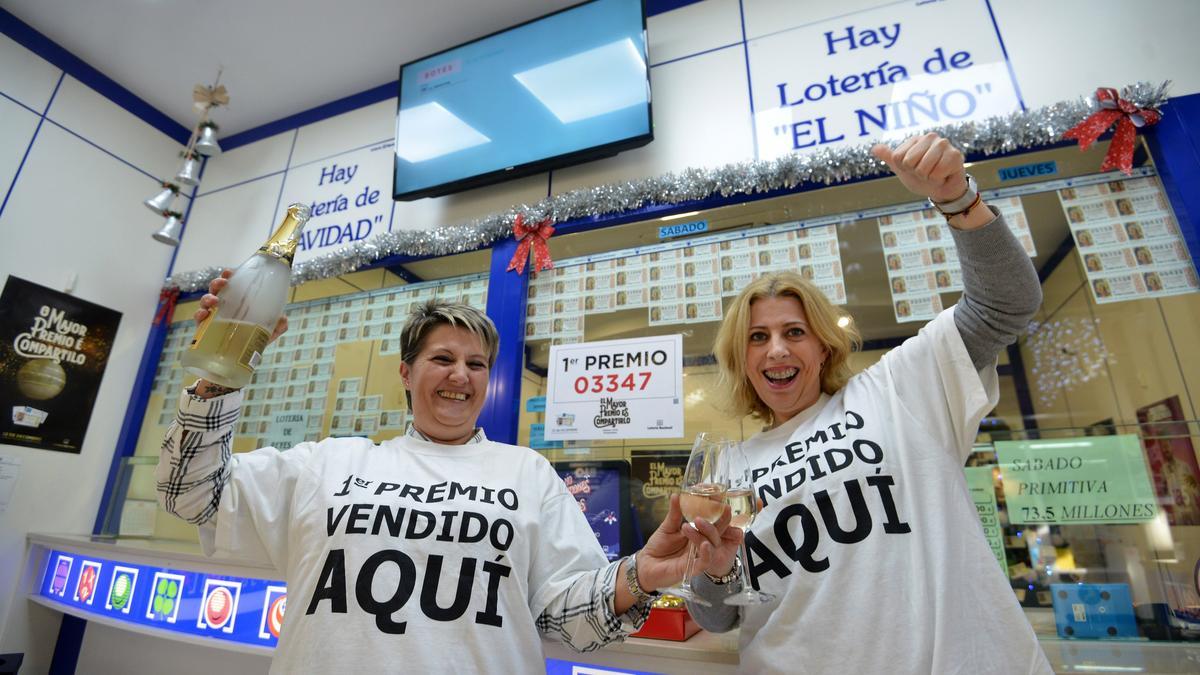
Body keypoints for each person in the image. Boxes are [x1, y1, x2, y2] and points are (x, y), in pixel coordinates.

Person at [158, 298, 735, 673]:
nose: (461, 375)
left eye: (477, 364)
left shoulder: (526, 472)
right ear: (406, 374)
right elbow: (190, 494)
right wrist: (220, 369)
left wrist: (641, 575)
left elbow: (562, 620)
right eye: (442, 358)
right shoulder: (326, 465)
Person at [686, 132, 1052, 674]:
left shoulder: (898, 388)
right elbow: (720, 619)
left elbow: (1007, 303)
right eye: (757, 337)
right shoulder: (732, 470)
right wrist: (714, 574)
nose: (777, 349)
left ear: (824, 346)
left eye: (795, 331)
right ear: (741, 359)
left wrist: (958, 200)